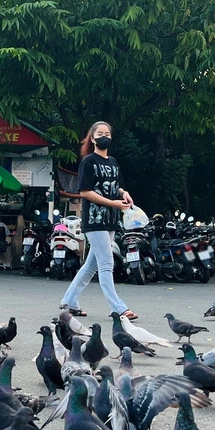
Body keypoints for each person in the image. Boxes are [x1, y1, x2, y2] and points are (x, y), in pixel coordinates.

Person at [59, 121, 137, 321]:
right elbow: (85, 192)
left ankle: (69, 303)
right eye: (100, 133)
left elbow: (116, 186)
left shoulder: (112, 162)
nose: (104, 136)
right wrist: (112, 203)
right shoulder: (88, 162)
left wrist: (124, 193)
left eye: (108, 133)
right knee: (106, 264)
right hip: (94, 220)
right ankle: (119, 308)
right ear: (92, 138)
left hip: (110, 219)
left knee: (91, 265)